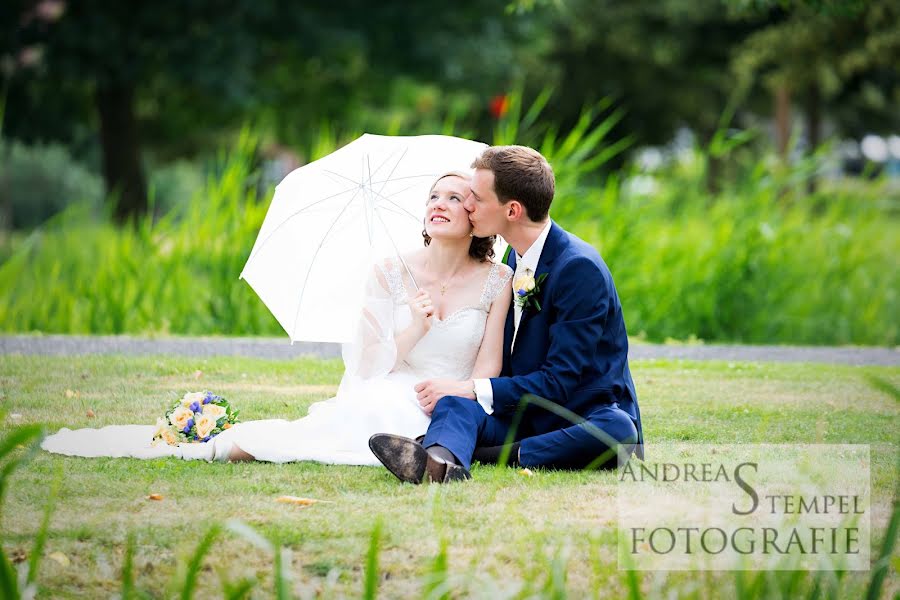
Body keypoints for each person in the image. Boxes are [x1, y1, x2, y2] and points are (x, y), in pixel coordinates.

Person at [40, 172, 513, 464]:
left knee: (424, 422)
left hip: (457, 398)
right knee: (376, 411)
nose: (438, 204)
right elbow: (369, 366)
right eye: (433, 196)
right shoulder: (389, 271)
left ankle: (425, 454)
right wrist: (416, 326)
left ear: (476, 216)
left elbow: (489, 365)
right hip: (395, 385)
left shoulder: (497, 280)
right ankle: (238, 447)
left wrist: (457, 392)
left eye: (454, 198)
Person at [368, 145, 643, 484]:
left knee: (616, 430)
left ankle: (484, 456)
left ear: (512, 210)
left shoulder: (578, 268)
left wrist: (475, 388)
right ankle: (437, 460)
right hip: (526, 412)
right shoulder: (514, 260)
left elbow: (561, 381)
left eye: (477, 199)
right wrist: (465, 391)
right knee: (455, 404)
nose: (468, 205)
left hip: (577, 416)